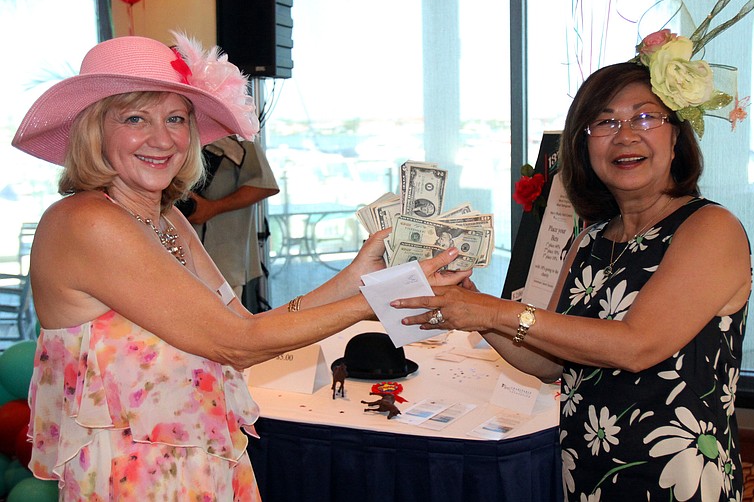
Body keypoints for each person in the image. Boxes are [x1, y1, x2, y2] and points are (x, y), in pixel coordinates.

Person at [13, 32, 469, 500]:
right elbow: (237, 345)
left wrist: (358, 277)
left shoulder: (164, 215)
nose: (163, 138)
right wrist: (367, 302)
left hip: (202, 463)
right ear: (94, 130)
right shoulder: (86, 221)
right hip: (134, 479)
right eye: (135, 118)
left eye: (176, 118)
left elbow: (246, 325)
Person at [395, 36, 752, 500]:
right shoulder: (591, 238)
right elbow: (546, 360)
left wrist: (489, 312)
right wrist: (466, 299)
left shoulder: (709, 227)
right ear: (583, 145)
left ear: (676, 134)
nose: (625, 135)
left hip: (675, 476)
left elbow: (635, 346)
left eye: (644, 116)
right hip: (587, 468)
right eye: (605, 122)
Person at [181, 135, 279, 310]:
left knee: (228, 323)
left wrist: (213, 207)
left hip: (225, 257)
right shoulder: (176, 136)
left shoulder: (238, 135)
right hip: (180, 259)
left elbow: (265, 185)